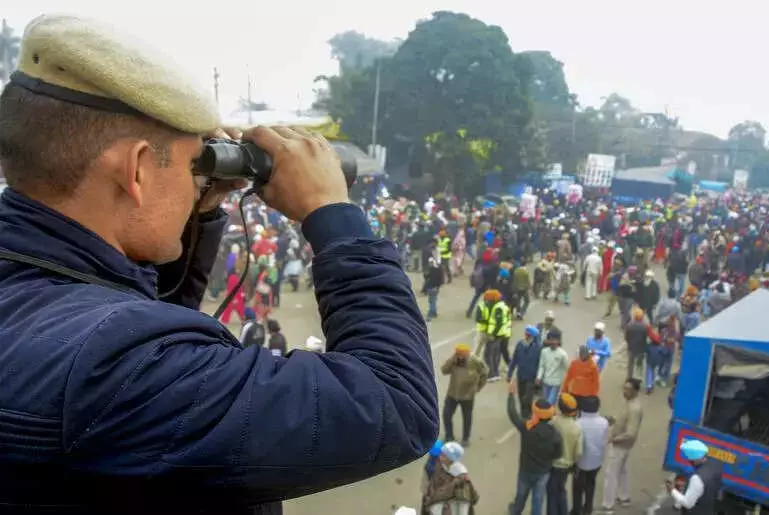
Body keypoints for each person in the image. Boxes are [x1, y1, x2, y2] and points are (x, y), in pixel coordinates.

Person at [0, 15, 437, 514]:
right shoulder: (116, 368)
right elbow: (397, 402)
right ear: (138, 169)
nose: (197, 182)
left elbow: (115, 309)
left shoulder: (39, 298)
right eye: (194, 165)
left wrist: (197, 213)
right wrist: (333, 215)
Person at [506, 390, 563, 515]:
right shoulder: (555, 435)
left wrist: (511, 394)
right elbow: (558, 455)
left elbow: (512, 413)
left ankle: (516, 511)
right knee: (538, 499)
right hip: (543, 472)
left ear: (535, 413)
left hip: (525, 469)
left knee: (521, 495)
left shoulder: (527, 427)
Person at [599, 379, 644, 514]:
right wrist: (613, 419)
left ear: (636, 391)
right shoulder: (629, 402)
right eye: (624, 388)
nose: (625, 391)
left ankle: (608, 504)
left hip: (620, 444)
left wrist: (613, 439)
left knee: (611, 473)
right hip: (623, 445)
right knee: (622, 471)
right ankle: (624, 497)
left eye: (628, 389)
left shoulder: (635, 408)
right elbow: (623, 419)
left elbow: (631, 433)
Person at [441, 344, 488, 447]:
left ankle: (465, 438)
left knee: (467, 417)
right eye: (457, 354)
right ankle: (449, 436)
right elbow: (444, 370)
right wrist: (452, 359)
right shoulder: (455, 360)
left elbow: (484, 373)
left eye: (461, 354)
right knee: (446, 415)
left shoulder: (475, 361)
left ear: (466, 353)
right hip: (453, 394)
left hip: (467, 396)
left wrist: (478, 388)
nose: (459, 356)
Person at [548, 394, 583, 515]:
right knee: (561, 489)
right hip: (566, 466)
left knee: (552, 492)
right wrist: (574, 464)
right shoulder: (576, 428)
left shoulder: (553, 422)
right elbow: (578, 452)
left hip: (552, 464)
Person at [572, 396, 608, 515]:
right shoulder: (604, 422)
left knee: (577, 488)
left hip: (580, 462)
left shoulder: (577, 424)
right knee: (591, 484)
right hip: (596, 461)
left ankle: (577, 510)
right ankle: (588, 508)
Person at [666, 440, 723, 513]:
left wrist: (672, 490)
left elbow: (688, 503)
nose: (689, 461)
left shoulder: (697, 478)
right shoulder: (716, 464)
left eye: (690, 458)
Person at [508, 325, 543, 418]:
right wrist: (510, 373)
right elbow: (514, 359)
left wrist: (539, 378)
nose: (526, 337)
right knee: (521, 398)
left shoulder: (538, 348)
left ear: (533, 337)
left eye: (529, 335)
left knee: (527, 398)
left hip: (531, 378)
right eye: (526, 334)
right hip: (521, 376)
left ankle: (528, 415)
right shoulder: (520, 344)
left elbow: (541, 364)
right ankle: (524, 416)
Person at [537, 329, 570, 405]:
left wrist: (567, 383)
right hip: (545, 381)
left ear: (559, 341)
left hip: (556, 383)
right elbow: (541, 366)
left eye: (555, 340)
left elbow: (567, 369)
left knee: (550, 403)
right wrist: (539, 377)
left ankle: (550, 414)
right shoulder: (544, 352)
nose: (553, 342)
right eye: (551, 340)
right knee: (545, 402)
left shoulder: (563, 354)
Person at [562, 345, 600, 410]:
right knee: (573, 410)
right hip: (574, 393)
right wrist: (564, 390)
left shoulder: (593, 366)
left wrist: (594, 395)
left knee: (582, 411)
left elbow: (596, 382)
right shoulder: (574, 363)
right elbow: (568, 377)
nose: (579, 356)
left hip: (586, 395)